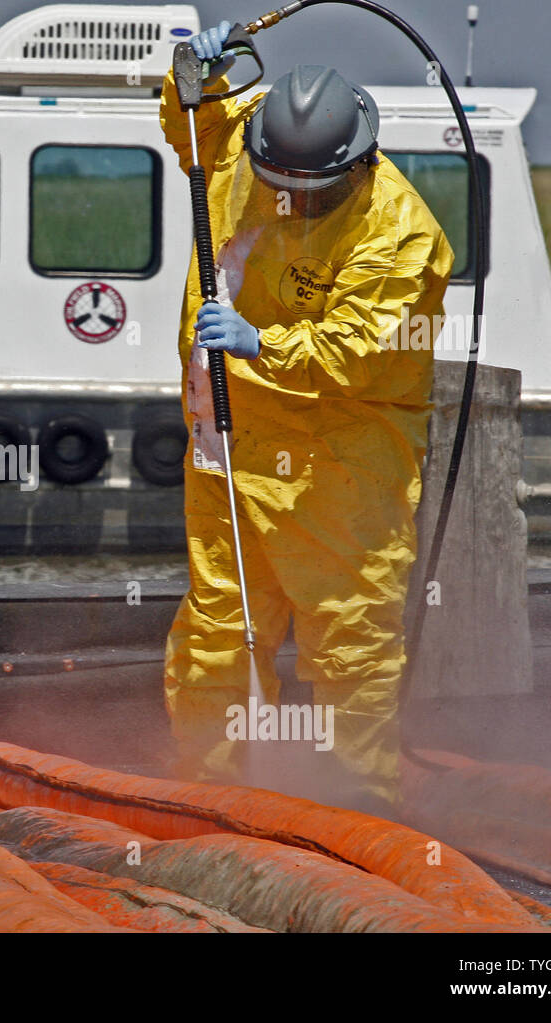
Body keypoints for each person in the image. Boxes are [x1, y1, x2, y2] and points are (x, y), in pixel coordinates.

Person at [159, 22, 454, 814]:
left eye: (310, 187)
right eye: (274, 177)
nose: (289, 197)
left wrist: (262, 344)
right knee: (217, 635)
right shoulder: (239, 152)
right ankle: (210, 804)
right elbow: (192, 123)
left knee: (349, 645)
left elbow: (360, 350)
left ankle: (360, 815)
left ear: (355, 164)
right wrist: (197, 74)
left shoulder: (401, 235)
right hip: (228, 443)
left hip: (341, 468)